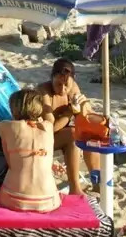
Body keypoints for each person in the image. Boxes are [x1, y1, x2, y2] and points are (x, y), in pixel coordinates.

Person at [37, 58, 100, 195]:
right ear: (52, 78)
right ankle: (75, 188)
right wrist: (70, 111)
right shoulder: (44, 92)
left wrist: (84, 107)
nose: (62, 89)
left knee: (89, 134)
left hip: (61, 134)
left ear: (73, 80)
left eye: (66, 85)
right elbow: (50, 128)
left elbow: (85, 118)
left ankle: (97, 184)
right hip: (42, 137)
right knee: (73, 135)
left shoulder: (73, 88)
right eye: (58, 84)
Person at [0, 89, 61, 212]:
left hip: (13, 199)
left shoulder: (5, 126)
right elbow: (48, 119)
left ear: (14, 109)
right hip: (49, 201)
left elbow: (10, 162)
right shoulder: (48, 126)